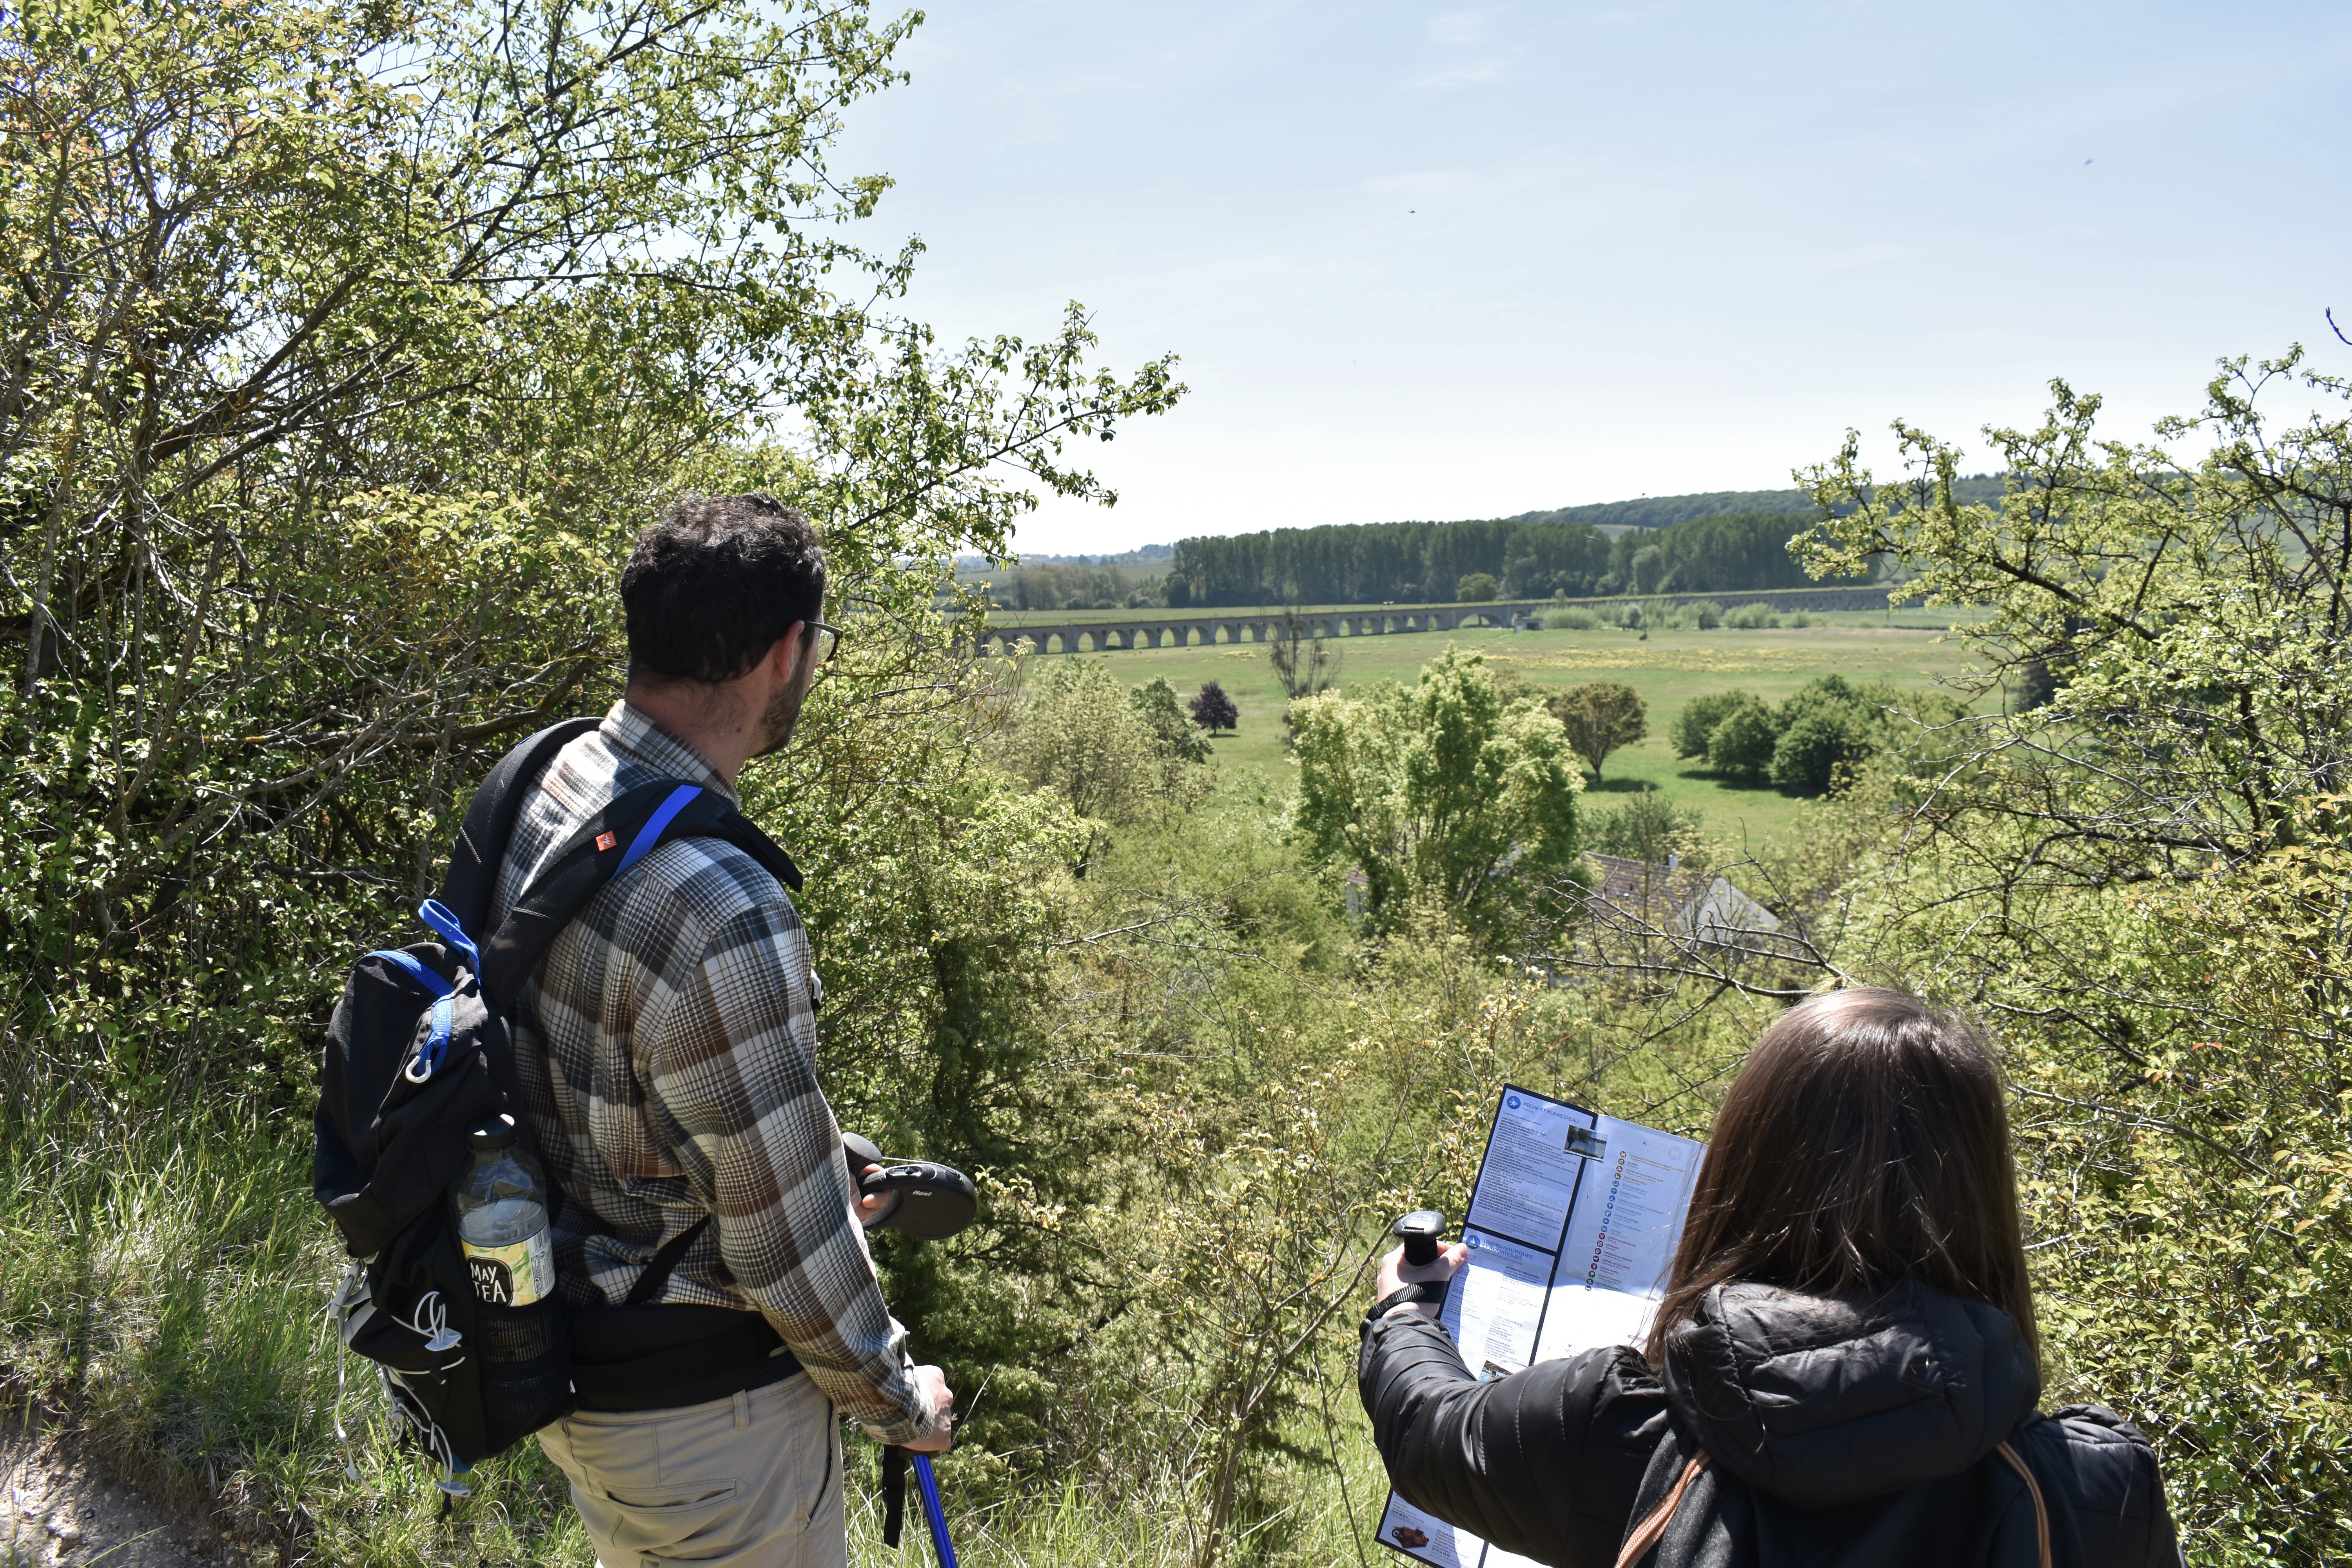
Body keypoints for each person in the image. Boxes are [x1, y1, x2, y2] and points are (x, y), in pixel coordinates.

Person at [495, 495, 951, 1568]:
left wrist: (812, 1152)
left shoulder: (544, 785)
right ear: (786, 652)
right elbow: (780, 1239)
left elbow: (607, 1072)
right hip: (711, 1426)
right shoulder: (721, 908)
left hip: (574, 1359)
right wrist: (899, 1400)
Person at [1358, 987, 2182, 1568]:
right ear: (1982, 1198)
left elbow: (1432, 1434)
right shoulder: (2100, 1495)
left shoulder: (1618, 1433)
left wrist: (1405, 1308)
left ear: (1746, 1172)